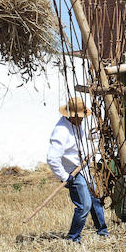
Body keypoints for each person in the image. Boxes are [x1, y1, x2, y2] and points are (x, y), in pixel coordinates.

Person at [47, 97, 108, 242]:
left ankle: (102, 231)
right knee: (84, 205)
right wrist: (64, 176)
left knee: (95, 199)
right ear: (71, 115)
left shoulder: (77, 124)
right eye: (79, 117)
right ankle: (73, 237)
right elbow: (52, 158)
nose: (82, 119)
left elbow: (84, 139)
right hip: (72, 172)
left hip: (83, 168)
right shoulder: (60, 132)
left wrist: (96, 137)